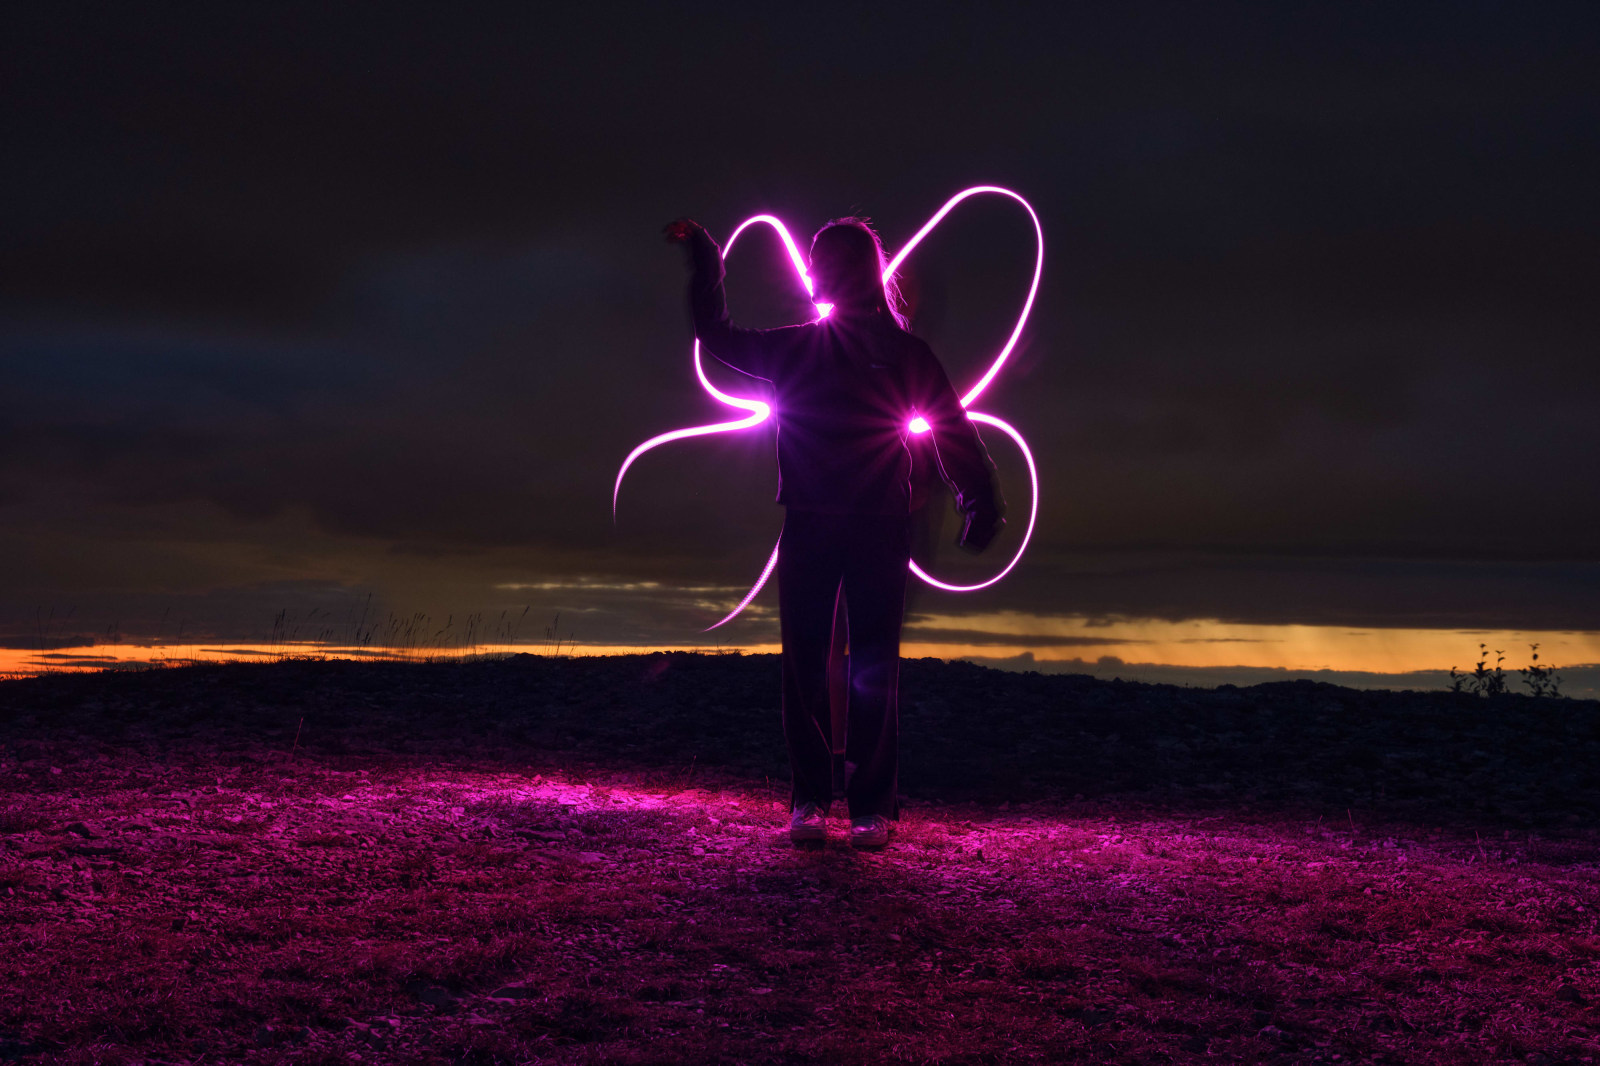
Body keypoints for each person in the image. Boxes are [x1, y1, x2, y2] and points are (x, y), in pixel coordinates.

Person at [666, 215, 1004, 848]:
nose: (820, 268)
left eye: (833, 258)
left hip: (877, 523)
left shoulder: (904, 354)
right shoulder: (801, 348)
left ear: (861, 269)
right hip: (813, 521)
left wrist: (977, 496)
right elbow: (717, 337)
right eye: (818, 258)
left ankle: (870, 805)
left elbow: (952, 427)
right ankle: (812, 800)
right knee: (806, 663)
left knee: (871, 661)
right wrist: (708, 266)